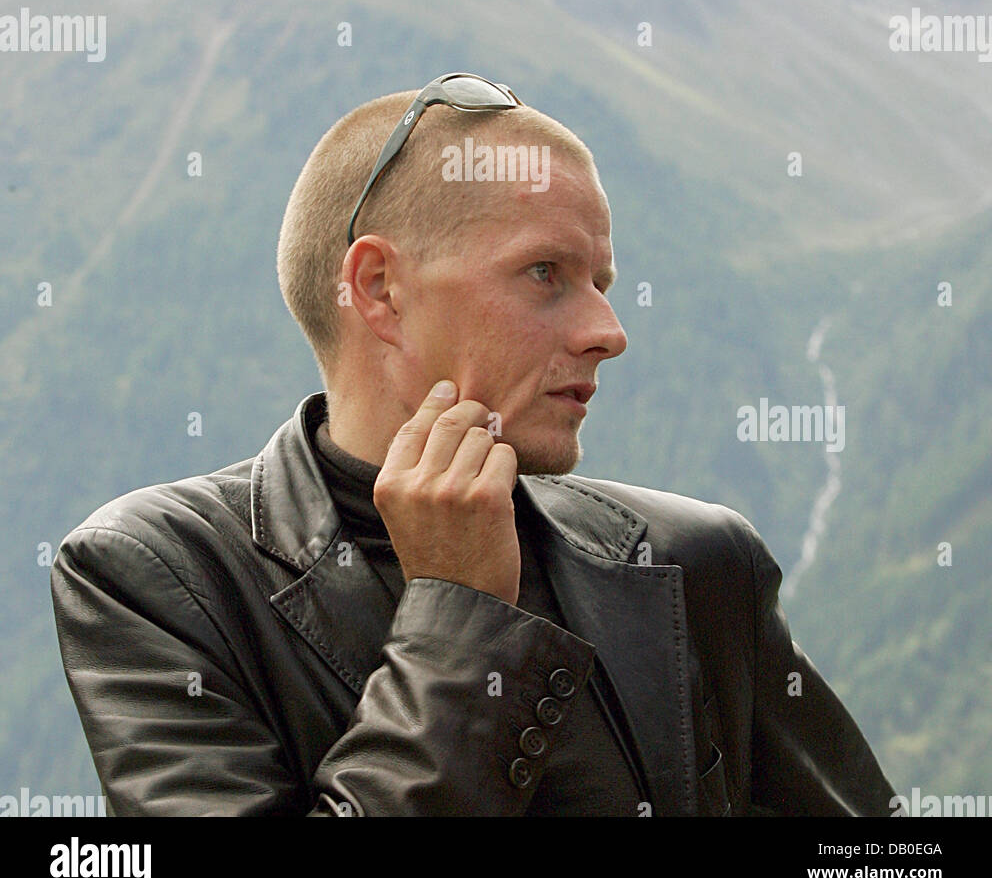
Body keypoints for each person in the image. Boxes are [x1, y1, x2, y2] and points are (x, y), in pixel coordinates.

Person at [51, 73, 896, 816]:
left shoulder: (697, 561)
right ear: (379, 290)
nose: (609, 331)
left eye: (599, 282)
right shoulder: (156, 576)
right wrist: (460, 617)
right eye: (545, 275)